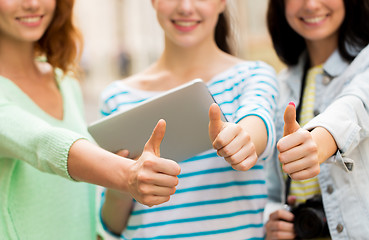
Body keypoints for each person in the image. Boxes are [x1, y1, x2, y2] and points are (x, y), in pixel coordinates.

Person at [0, 0, 181, 239]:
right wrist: (128, 173)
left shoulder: (64, 80)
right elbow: (42, 143)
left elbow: (78, 200)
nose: (33, 4)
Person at [99, 0, 279, 239]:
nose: (185, 7)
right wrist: (125, 183)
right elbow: (113, 223)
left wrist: (241, 140)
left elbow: (257, 121)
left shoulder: (253, 76)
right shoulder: (117, 97)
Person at [264, 0, 369, 239]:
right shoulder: (279, 86)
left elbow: (357, 104)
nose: (311, 5)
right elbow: (271, 191)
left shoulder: (365, 63)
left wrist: (321, 140)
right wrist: (272, 221)